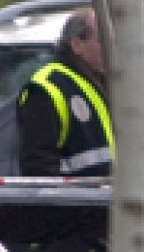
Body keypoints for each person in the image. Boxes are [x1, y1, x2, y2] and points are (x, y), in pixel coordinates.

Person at [17, 9, 114, 177]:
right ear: (77, 45)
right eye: (104, 40)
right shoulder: (48, 87)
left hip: (106, 199)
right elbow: (38, 168)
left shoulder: (103, 81)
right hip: (77, 201)